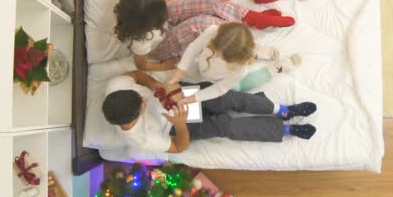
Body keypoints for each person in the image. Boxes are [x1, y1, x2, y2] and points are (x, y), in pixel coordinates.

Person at [102, 71, 318, 154]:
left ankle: (283, 110)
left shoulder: (116, 86)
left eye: (139, 95)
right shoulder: (142, 139)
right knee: (227, 126)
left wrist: (158, 85)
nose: (143, 98)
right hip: (176, 127)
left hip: (175, 96)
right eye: (142, 103)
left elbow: (138, 76)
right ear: (136, 116)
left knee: (227, 98)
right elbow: (179, 147)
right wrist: (179, 124)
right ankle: (286, 129)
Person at [113, 0, 296, 72]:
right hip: (159, 48)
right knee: (200, 24)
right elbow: (141, 64)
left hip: (158, 19)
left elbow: (147, 4)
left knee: (209, 3)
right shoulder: (142, 41)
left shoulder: (135, 6)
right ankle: (247, 45)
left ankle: (252, 18)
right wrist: (163, 66)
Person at [165, 23, 301, 105]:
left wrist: (194, 98)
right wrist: (179, 72)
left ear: (235, 59)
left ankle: (277, 67)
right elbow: (193, 48)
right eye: (214, 50)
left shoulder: (240, 70)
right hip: (205, 70)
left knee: (240, 87)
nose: (216, 55)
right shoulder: (213, 31)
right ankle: (256, 50)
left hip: (222, 77)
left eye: (221, 56)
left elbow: (219, 89)